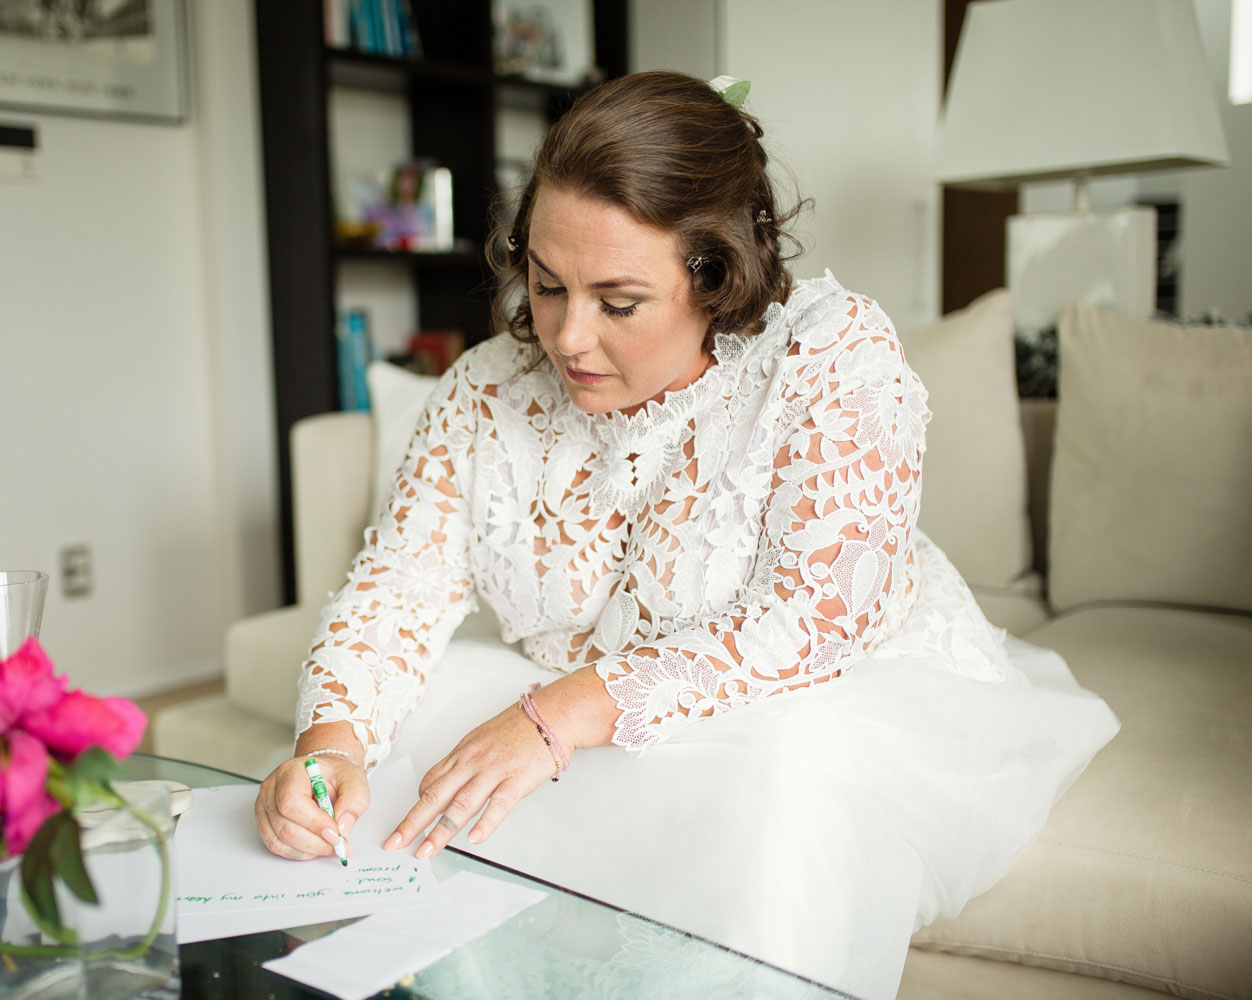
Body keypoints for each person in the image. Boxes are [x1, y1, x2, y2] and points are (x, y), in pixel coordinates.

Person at [253, 70, 1117, 998]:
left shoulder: (831, 357)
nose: (568, 339)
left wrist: (557, 716)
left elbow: (813, 620)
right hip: (579, 699)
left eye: (617, 302)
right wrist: (330, 745)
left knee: (789, 775)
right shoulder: (484, 389)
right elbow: (396, 589)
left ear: (718, 274)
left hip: (816, 691)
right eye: (547, 285)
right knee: (421, 721)